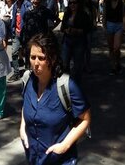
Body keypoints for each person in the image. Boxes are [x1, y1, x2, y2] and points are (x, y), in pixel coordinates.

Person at [20, 33, 91, 165]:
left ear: (52, 59)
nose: (36, 63)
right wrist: (22, 128)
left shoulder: (67, 86)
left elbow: (85, 119)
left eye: (41, 58)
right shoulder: (27, 80)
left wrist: (64, 145)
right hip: (34, 158)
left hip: (60, 160)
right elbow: (26, 104)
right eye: (32, 57)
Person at [60, 0, 91, 84]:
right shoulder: (67, 14)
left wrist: (78, 31)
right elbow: (62, 28)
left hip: (79, 41)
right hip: (67, 40)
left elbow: (88, 28)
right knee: (64, 63)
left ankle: (76, 85)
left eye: (74, 3)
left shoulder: (83, 14)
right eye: (70, 3)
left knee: (77, 65)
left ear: (78, 4)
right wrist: (66, 30)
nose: (72, 5)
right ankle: (66, 83)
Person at [8, 0, 32, 82]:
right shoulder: (14, 5)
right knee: (14, 53)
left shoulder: (27, 4)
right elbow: (13, 18)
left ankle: (27, 72)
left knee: (27, 53)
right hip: (16, 33)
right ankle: (16, 73)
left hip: (25, 33)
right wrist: (13, 30)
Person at [102, 0, 125, 75]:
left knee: (117, 48)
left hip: (118, 25)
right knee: (111, 48)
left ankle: (118, 62)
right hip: (109, 25)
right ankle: (114, 66)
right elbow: (104, 16)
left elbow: (123, 15)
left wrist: (123, 26)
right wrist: (104, 27)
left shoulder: (121, 2)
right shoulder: (106, 3)